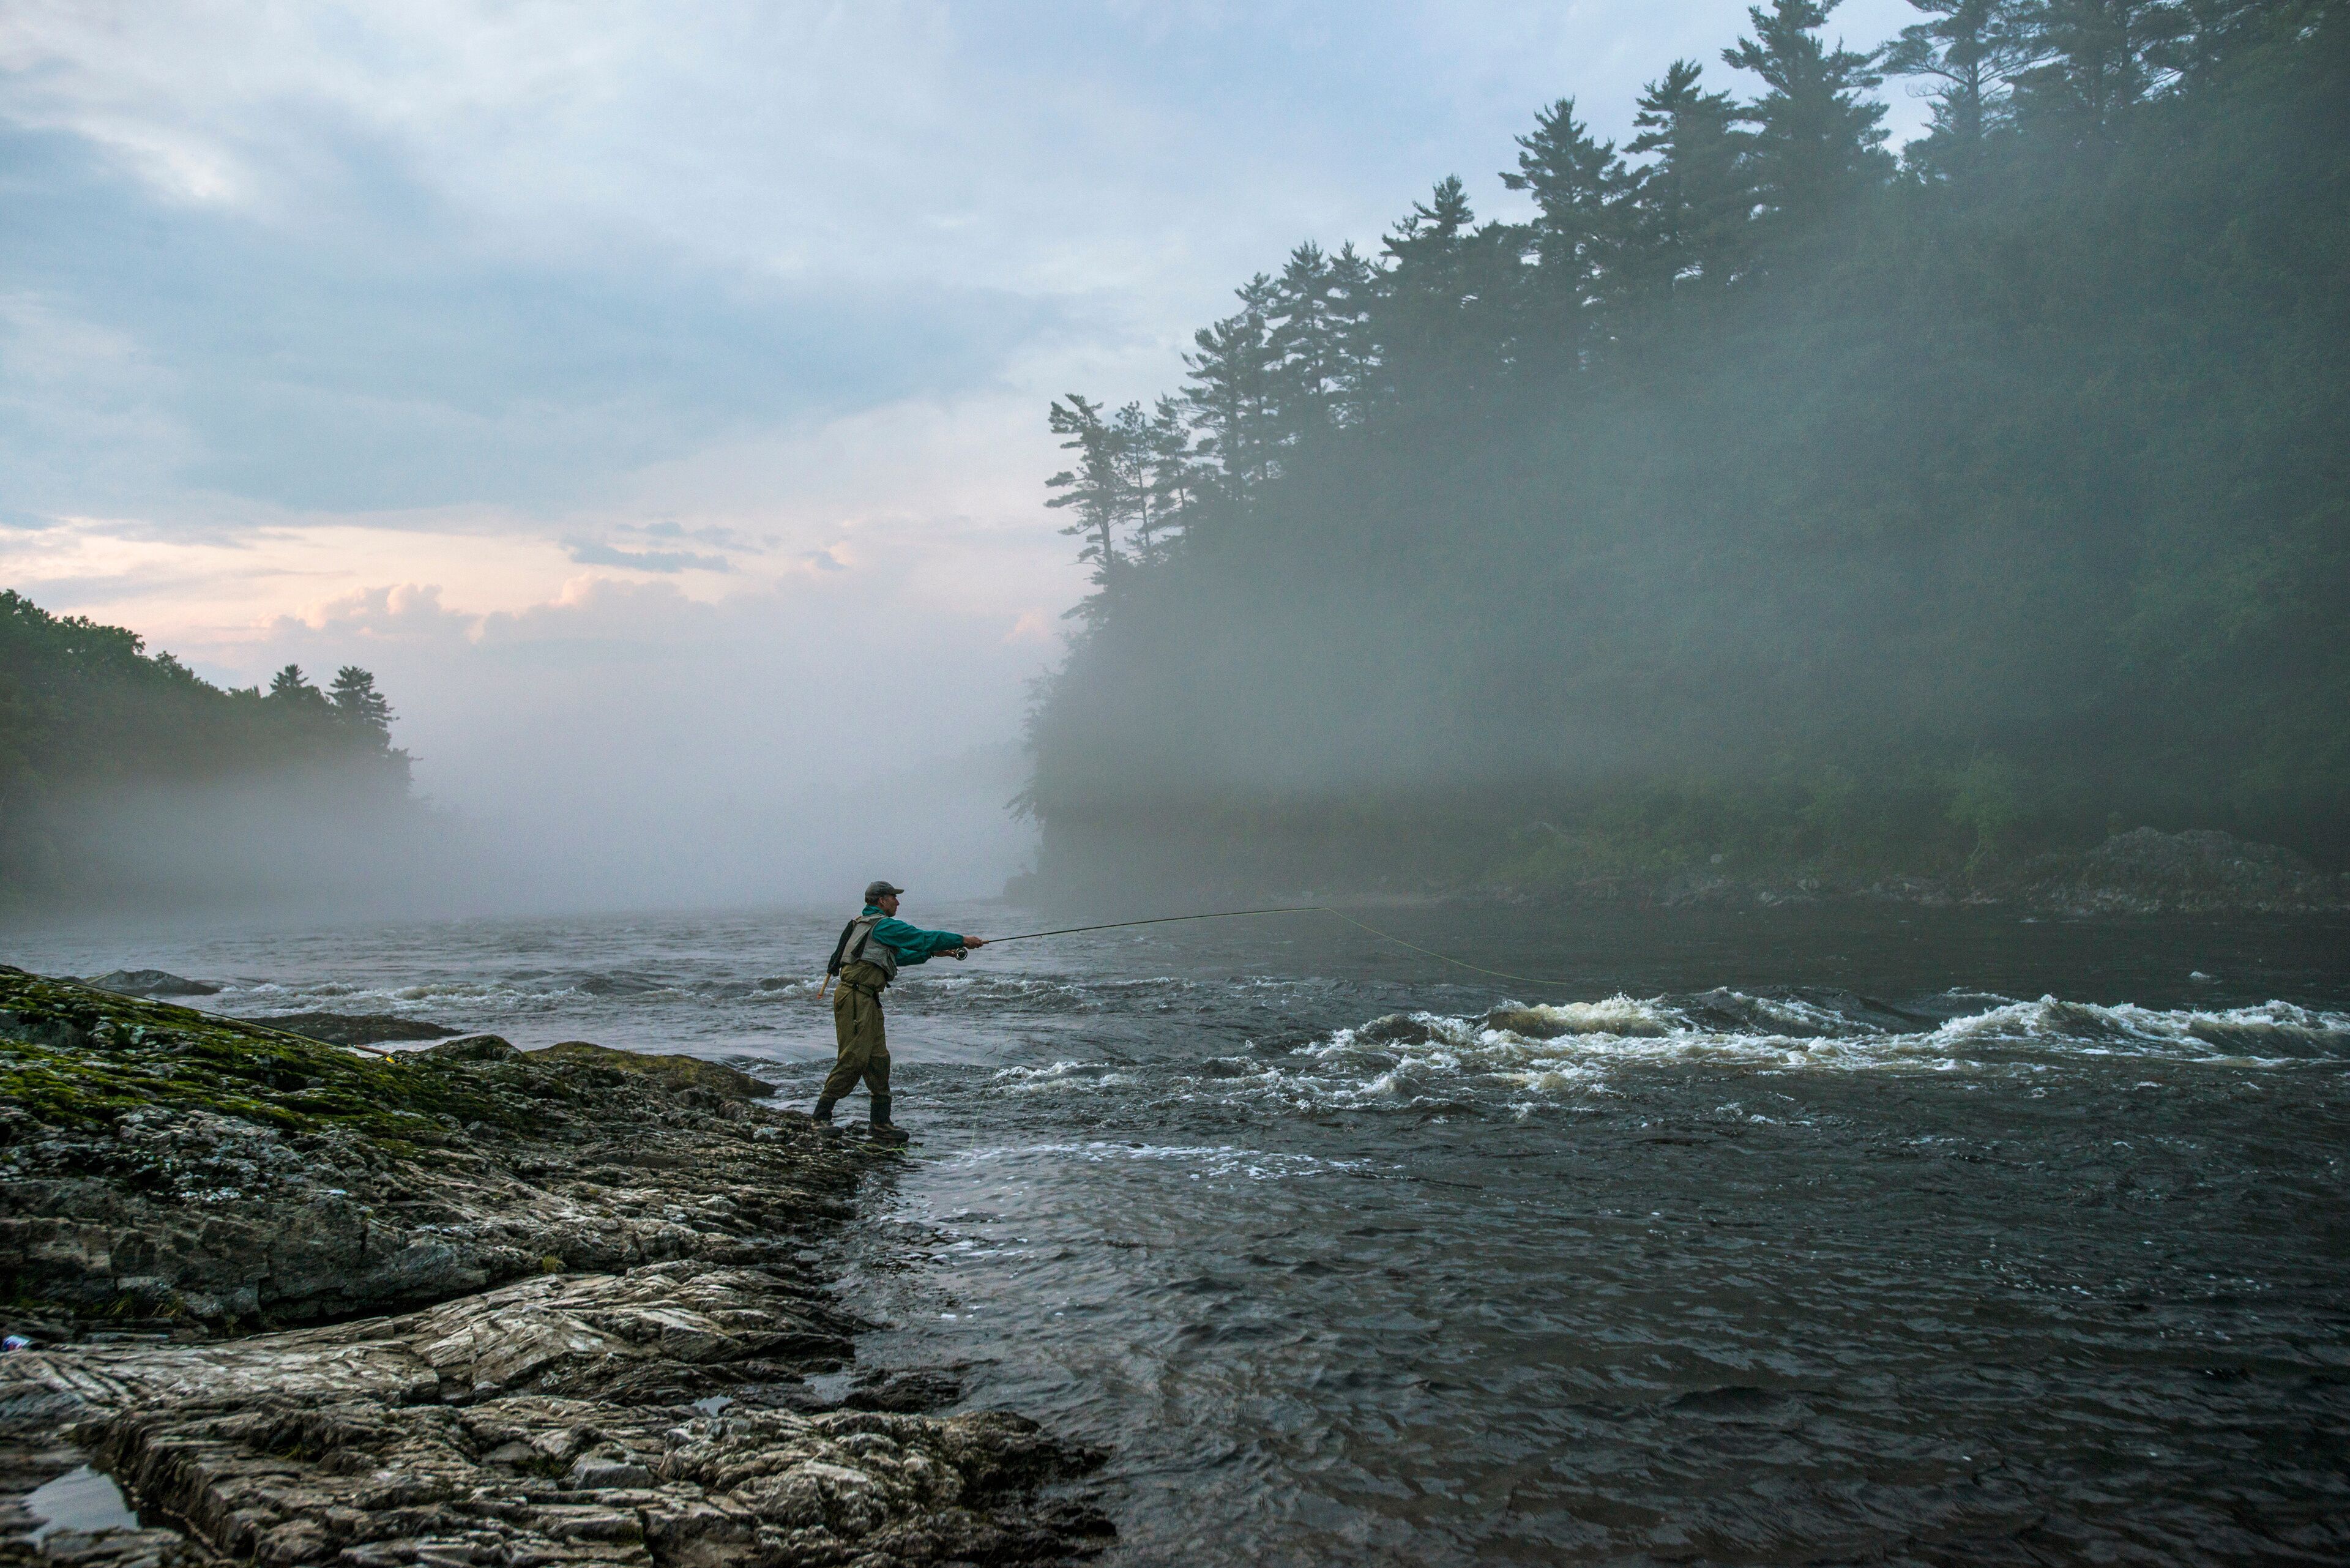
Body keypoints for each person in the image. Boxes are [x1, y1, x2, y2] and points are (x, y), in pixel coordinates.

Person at [816, 880, 987, 1141]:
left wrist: (934, 954)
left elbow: (895, 958)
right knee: (854, 1058)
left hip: (866, 997)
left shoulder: (866, 925)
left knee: (878, 1059)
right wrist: (962, 939)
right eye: (893, 897)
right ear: (881, 901)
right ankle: (820, 1118)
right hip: (855, 998)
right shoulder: (883, 925)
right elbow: (920, 937)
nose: (898, 902)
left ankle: (881, 1124)